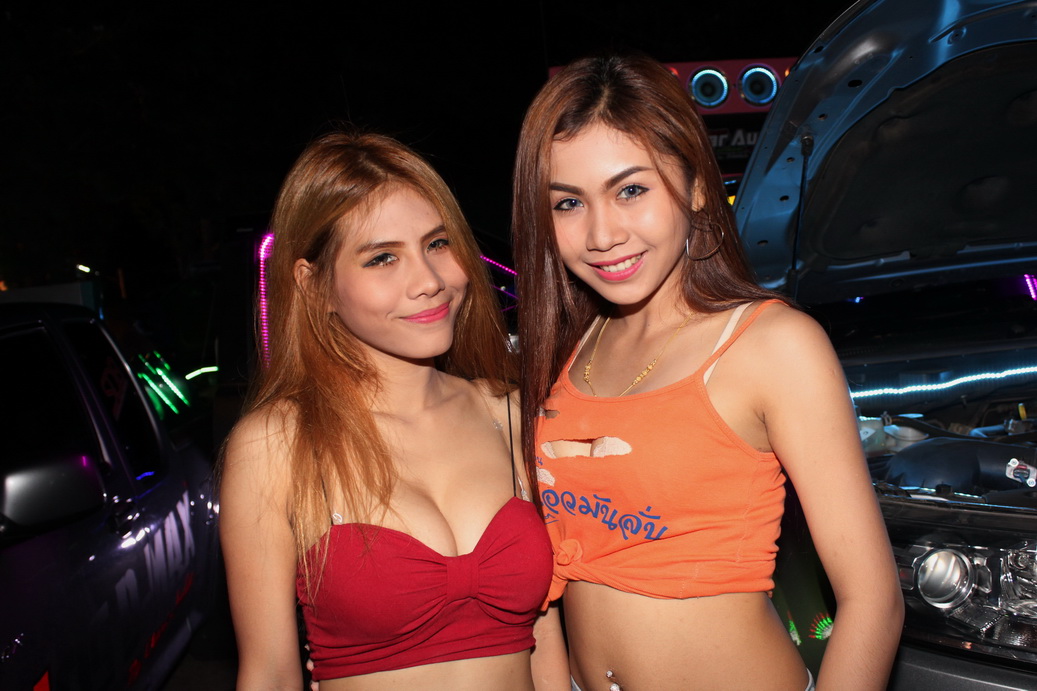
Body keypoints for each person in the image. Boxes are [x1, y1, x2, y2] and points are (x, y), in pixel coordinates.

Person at [512, 54, 904, 691]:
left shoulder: (773, 345)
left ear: (696, 186)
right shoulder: (566, 351)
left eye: (630, 190)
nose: (602, 233)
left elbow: (873, 600)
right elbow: (544, 589)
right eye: (569, 203)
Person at [220, 131, 568, 690]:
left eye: (437, 244)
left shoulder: (509, 414)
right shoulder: (277, 443)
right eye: (383, 258)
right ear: (314, 287)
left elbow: (543, 636)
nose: (429, 281)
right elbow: (269, 674)